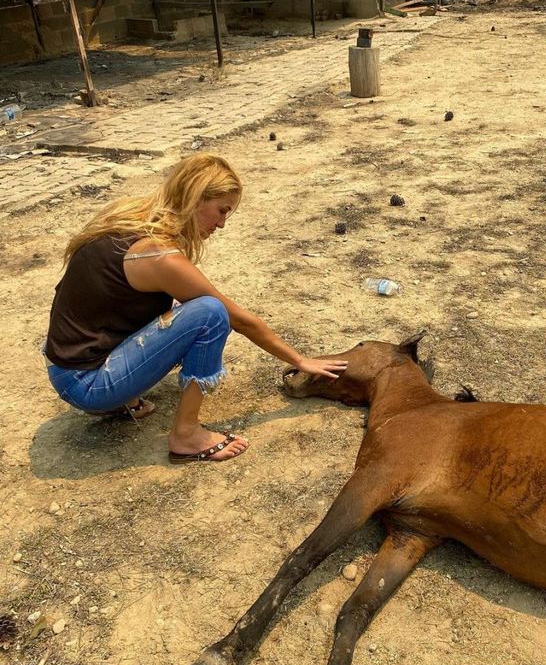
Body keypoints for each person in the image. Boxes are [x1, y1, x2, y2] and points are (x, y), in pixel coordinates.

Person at [44, 153, 347, 463]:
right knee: (210, 313)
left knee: (184, 303)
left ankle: (120, 398)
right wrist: (300, 359)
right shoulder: (158, 257)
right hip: (87, 383)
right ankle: (186, 434)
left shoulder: (129, 221)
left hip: (66, 368)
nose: (222, 224)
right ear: (195, 198)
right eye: (220, 211)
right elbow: (239, 319)